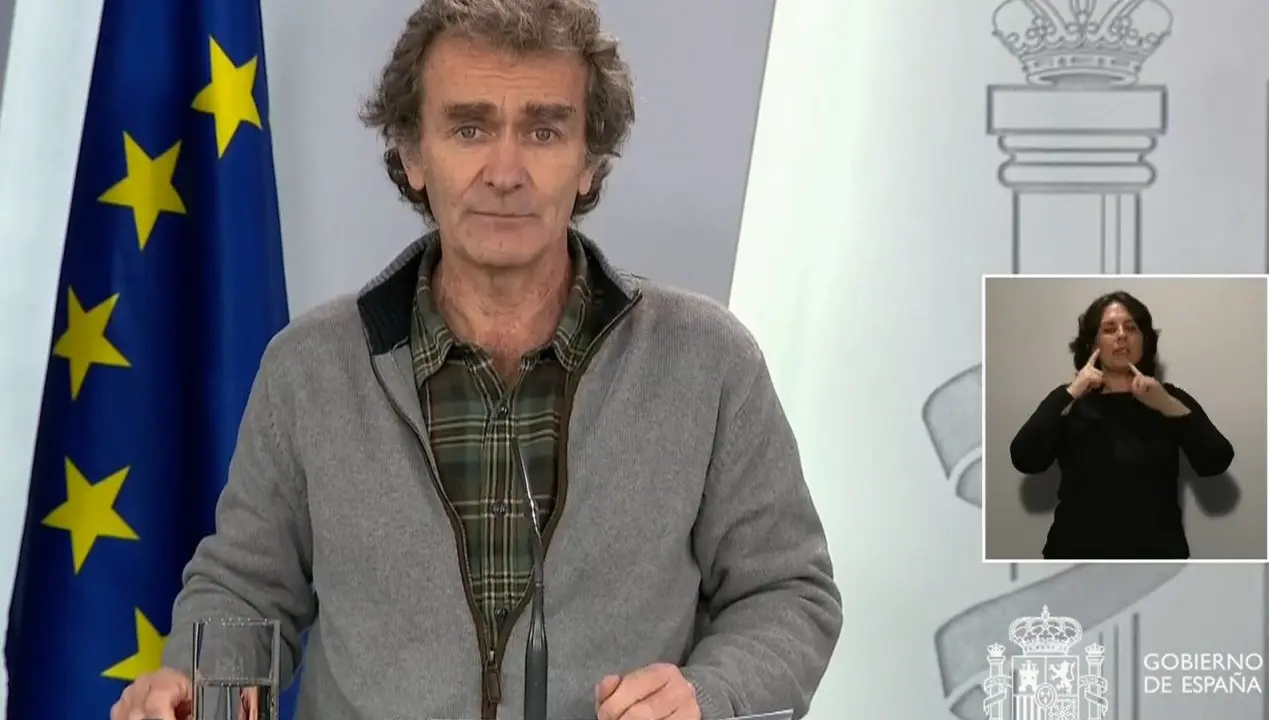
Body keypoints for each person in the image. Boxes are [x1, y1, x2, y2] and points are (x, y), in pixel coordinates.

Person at [108, 1, 843, 719]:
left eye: (544, 131)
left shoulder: (707, 362)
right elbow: (246, 591)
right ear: (412, 155)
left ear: (589, 162)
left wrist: (708, 695)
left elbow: (787, 593)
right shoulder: (310, 368)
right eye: (469, 128)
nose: (505, 171)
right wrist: (195, 684)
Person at [1008, 290, 1235, 561]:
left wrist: (1167, 405)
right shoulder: (1071, 400)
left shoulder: (1168, 397)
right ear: (1092, 344)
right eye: (1109, 329)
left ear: (1144, 340)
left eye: (1131, 328)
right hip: (1075, 557)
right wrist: (1072, 391)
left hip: (1156, 559)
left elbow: (1216, 462)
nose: (1121, 335)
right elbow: (1025, 458)